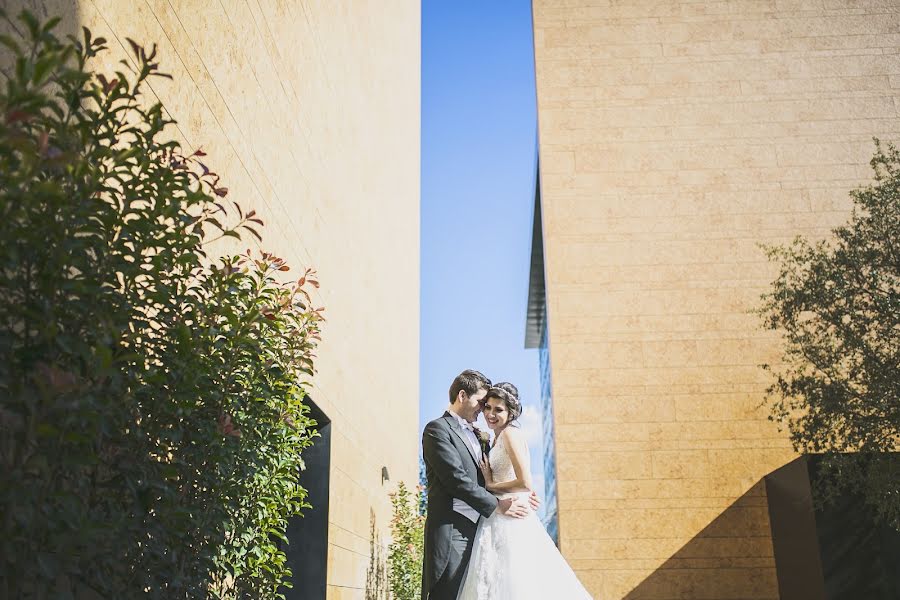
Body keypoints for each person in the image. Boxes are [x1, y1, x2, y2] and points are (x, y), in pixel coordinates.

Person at [457, 383, 593, 599]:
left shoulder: (510, 434)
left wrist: (491, 485)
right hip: (501, 512)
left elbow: (525, 482)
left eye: (498, 410)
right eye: (488, 407)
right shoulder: (496, 437)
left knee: (515, 578)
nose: (491, 414)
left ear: (511, 412)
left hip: (511, 515)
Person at [421, 370, 539, 600]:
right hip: (453, 533)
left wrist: (521, 493)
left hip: (483, 531)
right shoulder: (437, 430)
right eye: (481, 403)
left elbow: (488, 480)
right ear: (462, 395)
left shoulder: (481, 436)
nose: (484, 410)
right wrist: (498, 505)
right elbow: (456, 479)